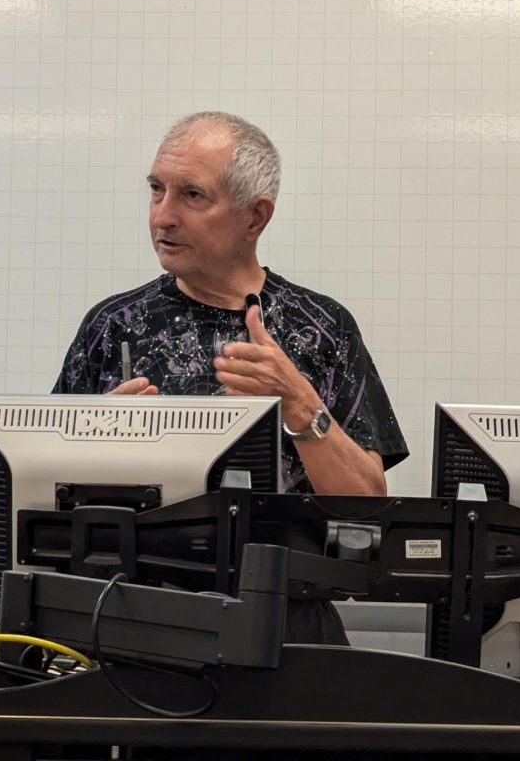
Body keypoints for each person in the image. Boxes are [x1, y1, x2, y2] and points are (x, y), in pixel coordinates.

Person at [53, 111, 408, 642]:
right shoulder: (114, 327)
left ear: (254, 217)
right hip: (132, 618)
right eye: (156, 190)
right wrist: (100, 442)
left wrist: (299, 406)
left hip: (286, 622)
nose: (162, 217)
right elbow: (39, 508)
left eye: (192, 195)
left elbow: (368, 508)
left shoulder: (321, 328)